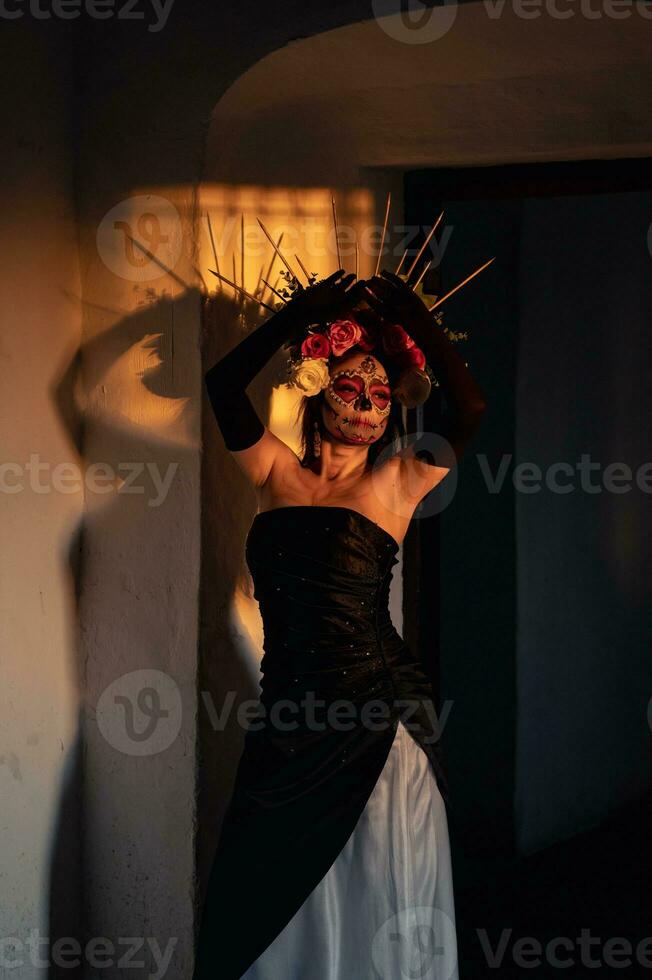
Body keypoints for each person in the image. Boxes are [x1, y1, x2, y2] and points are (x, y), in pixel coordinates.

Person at [193, 269, 486, 980]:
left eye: (383, 395)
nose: (367, 406)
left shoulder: (395, 483)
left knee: (368, 895)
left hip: (376, 715)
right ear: (321, 385)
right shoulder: (273, 473)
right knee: (255, 901)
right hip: (288, 718)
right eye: (352, 386)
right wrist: (303, 313)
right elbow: (222, 386)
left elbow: (468, 412)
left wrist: (412, 318)